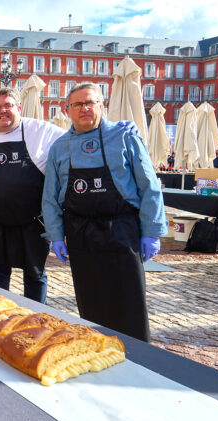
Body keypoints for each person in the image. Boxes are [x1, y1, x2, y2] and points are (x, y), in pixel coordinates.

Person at [42, 82, 167, 342]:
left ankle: (139, 355)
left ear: (102, 106)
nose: (84, 108)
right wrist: (55, 235)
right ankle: (96, 347)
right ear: (67, 110)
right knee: (90, 298)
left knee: (129, 298)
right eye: (77, 104)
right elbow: (51, 197)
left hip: (122, 229)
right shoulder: (58, 147)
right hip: (80, 233)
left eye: (91, 102)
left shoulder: (125, 137)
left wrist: (152, 232)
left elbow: (149, 187)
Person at [0, 88, 66, 303]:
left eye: (8, 105)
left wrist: (111, 130)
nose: (3, 111)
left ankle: (38, 318)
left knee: (35, 275)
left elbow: (75, 137)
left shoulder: (42, 130)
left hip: (32, 223)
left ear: (18, 108)